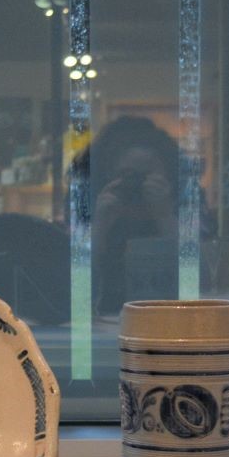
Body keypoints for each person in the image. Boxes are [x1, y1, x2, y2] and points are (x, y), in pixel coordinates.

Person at [69, 115, 186, 316]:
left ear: (169, 174)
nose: (138, 185)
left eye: (147, 175)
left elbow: (204, 281)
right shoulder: (88, 206)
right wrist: (99, 226)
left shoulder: (184, 206)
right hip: (101, 320)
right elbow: (69, 285)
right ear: (106, 175)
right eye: (128, 176)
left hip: (171, 318)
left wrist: (165, 217)